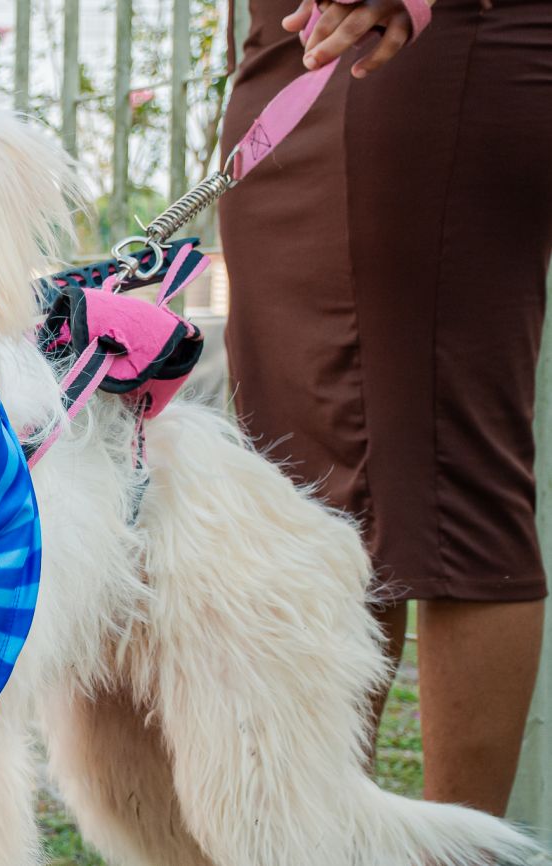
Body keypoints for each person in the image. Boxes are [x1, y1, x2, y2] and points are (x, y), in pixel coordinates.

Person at [219, 0, 552, 815]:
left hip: (427, 41)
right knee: (297, 501)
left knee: (445, 487)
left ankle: (457, 852)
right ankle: (320, 840)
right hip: (293, 45)